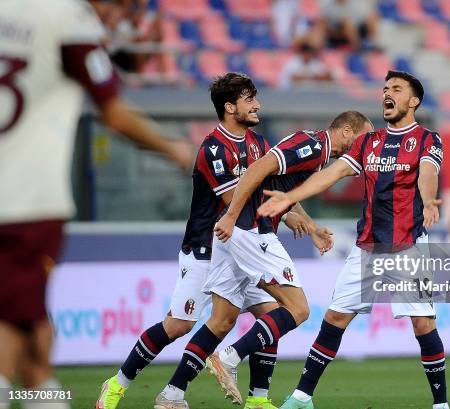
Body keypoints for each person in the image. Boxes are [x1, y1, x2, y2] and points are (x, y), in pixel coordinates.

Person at [0, 1, 193, 408]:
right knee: (17, 325)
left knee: (29, 327)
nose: (115, 24)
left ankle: (44, 396)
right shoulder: (69, 19)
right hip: (28, 202)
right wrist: (173, 149)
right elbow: (115, 113)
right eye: (123, 12)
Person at [93, 72, 323, 409]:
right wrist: (284, 208)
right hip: (207, 247)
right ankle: (118, 383)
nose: (257, 105)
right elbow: (238, 200)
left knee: (272, 313)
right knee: (178, 324)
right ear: (230, 107)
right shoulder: (213, 150)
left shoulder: (259, 144)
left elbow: (273, 189)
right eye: (249, 100)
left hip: (244, 246)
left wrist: (298, 215)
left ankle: (256, 400)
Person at [258, 70, 450, 409]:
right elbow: (331, 175)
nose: (387, 93)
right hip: (367, 248)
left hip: (408, 247)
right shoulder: (368, 142)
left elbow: (427, 174)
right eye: (386, 88)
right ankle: (302, 397)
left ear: (414, 100)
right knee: (335, 318)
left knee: (422, 323)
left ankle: (440, 404)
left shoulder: (426, 139)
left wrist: (430, 199)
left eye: (397, 89)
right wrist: (290, 199)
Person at [159, 110, 372, 406]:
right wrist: (232, 214)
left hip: (238, 232)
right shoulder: (310, 147)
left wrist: (309, 226)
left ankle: (172, 394)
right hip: (251, 230)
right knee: (297, 309)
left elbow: (281, 190)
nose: (369, 145)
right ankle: (229, 358)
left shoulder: (317, 150)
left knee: (221, 321)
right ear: (347, 131)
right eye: (365, 138)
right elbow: (259, 167)